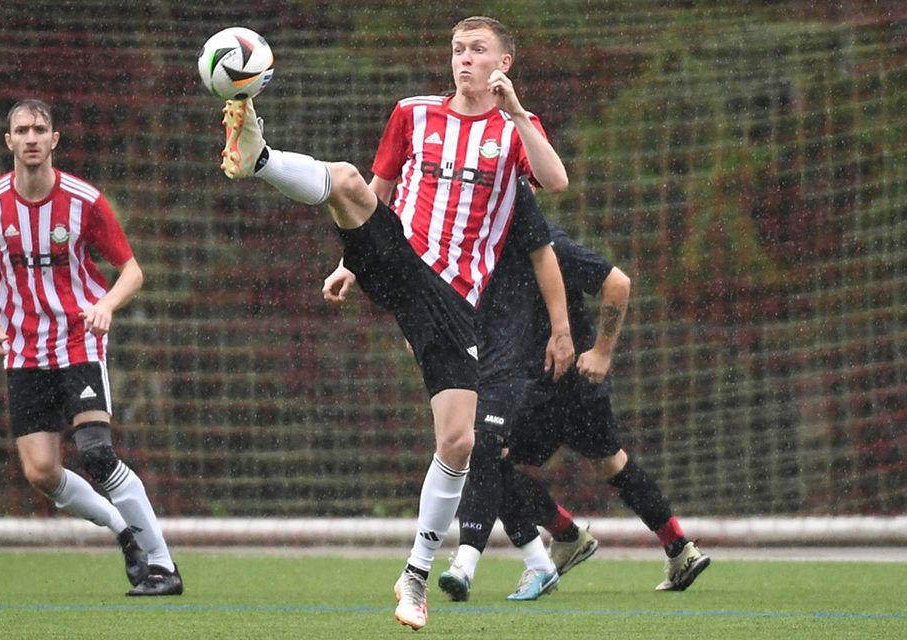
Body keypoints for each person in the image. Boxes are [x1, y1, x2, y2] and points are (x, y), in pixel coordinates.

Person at [220, 15, 574, 630]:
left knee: (458, 441)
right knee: (349, 180)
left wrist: (517, 112)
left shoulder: (516, 130)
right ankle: (259, 156)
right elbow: (376, 189)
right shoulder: (412, 113)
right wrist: (348, 262)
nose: (465, 59)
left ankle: (414, 574)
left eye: (478, 51)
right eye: (458, 49)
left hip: (457, 301)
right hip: (403, 257)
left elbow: (556, 180)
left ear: (503, 64)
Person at [0, 99, 183, 597]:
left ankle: (163, 566)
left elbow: (132, 271)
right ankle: (122, 530)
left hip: (79, 342)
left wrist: (106, 304)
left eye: (40, 128)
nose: (32, 137)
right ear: (9, 142)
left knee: (97, 454)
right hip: (23, 351)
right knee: (41, 471)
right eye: (22, 130)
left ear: (55, 138)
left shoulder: (83, 200)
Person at [438, 221, 710, 600]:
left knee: (489, 458)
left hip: (551, 386)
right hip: (567, 388)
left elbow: (618, 284)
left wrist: (602, 353)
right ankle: (679, 546)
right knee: (612, 463)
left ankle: (565, 535)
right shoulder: (483, 248)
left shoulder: (547, 245)